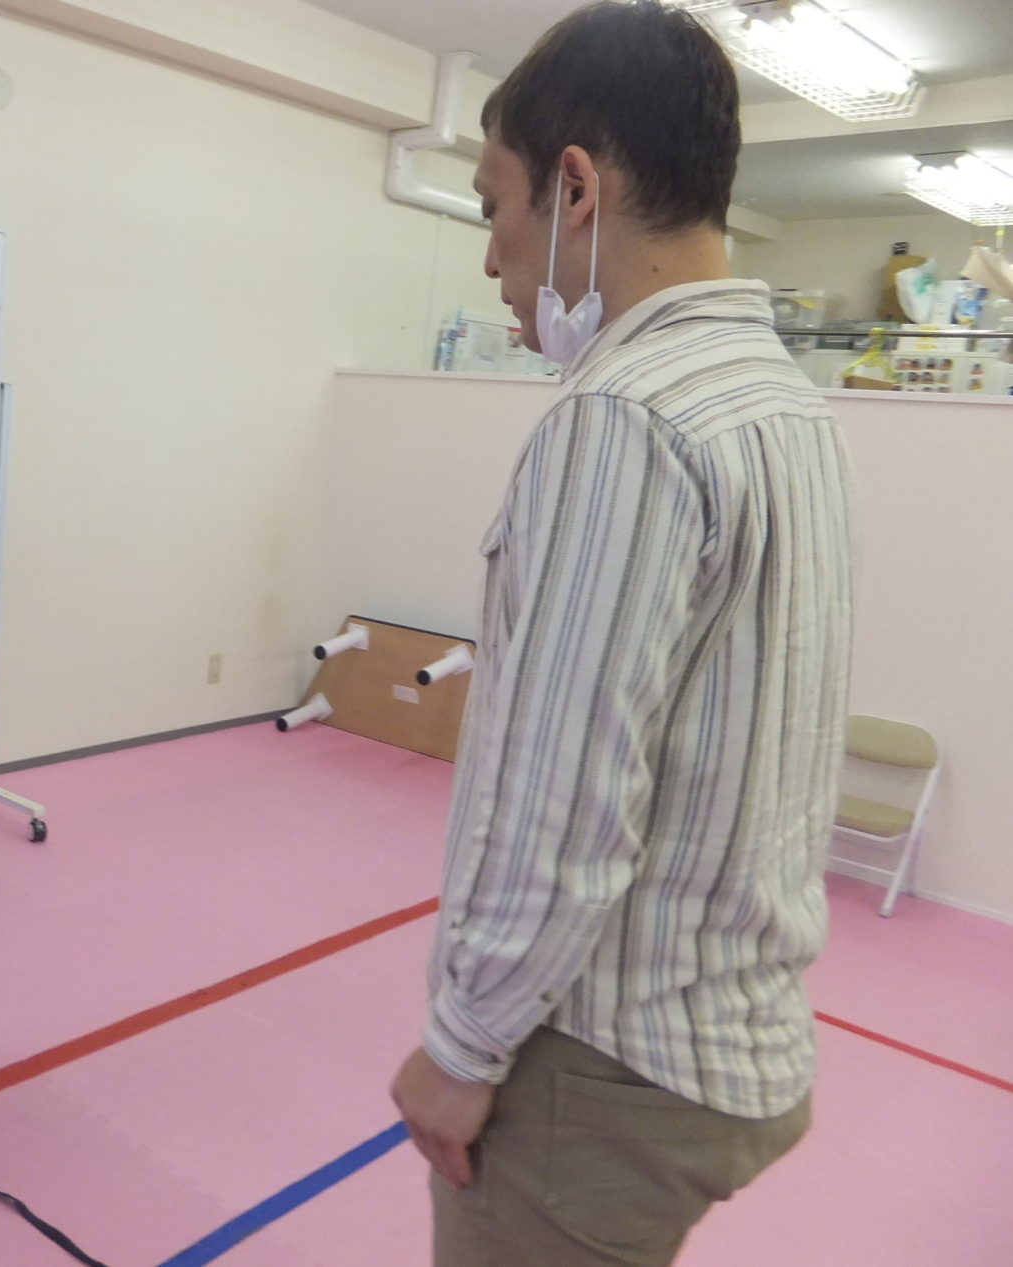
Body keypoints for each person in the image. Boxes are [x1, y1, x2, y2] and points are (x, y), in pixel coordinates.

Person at [387, 4, 857, 1264]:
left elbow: (561, 800)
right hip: (735, 1031)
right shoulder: (787, 407)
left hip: (596, 1063)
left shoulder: (622, 421)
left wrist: (461, 1047)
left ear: (575, 190)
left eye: (495, 207)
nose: (491, 256)